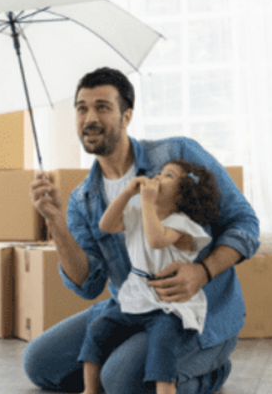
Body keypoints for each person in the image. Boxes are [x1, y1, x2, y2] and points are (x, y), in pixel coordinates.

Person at [25, 67, 259, 394]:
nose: (90, 117)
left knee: (121, 380)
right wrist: (55, 223)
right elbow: (89, 284)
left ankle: (209, 372)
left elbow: (245, 223)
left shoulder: (177, 156)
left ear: (126, 116)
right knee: (38, 363)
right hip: (130, 306)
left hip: (191, 313)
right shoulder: (83, 199)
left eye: (102, 107)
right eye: (82, 108)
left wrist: (202, 272)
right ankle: (132, 363)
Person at [80, 160, 221, 394]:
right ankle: (89, 389)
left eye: (168, 176)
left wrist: (146, 201)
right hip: (137, 295)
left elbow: (156, 240)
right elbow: (105, 225)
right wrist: (127, 193)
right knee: (98, 328)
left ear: (181, 195)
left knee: (162, 344)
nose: (156, 178)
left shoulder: (181, 223)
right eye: (159, 173)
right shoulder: (138, 213)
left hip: (168, 304)